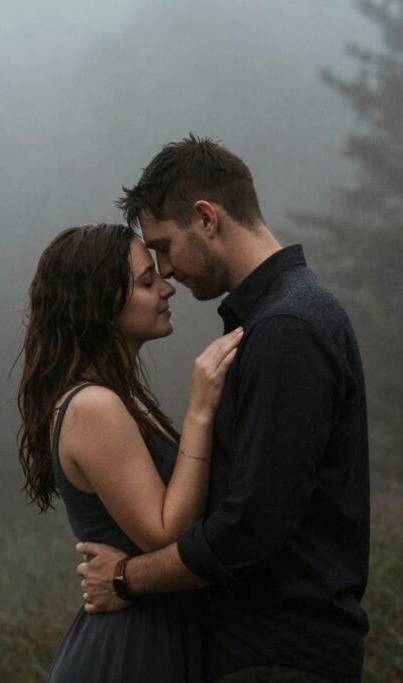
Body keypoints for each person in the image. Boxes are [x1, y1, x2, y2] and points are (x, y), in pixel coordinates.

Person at [76, 135, 371, 683]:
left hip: (279, 656)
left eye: (162, 246)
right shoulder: (276, 320)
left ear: (206, 218)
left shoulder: (287, 328)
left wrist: (126, 578)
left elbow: (251, 526)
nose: (163, 270)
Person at [17, 223, 244, 682]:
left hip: (153, 636)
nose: (167, 288)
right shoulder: (93, 406)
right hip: (127, 651)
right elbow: (164, 533)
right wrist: (200, 410)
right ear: (98, 305)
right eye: (146, 282)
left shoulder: (119, 399)